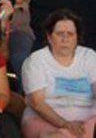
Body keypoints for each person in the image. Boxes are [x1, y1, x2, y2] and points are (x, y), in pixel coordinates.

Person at [22, 10, 96, 138]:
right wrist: (65, 124)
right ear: (49, 36)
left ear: (77, 37)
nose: (65, 39)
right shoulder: (36, 60)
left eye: (70, 34)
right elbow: (37, 103)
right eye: (60, 34)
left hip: (88, 121)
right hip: (45, 122)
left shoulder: (89, 57)